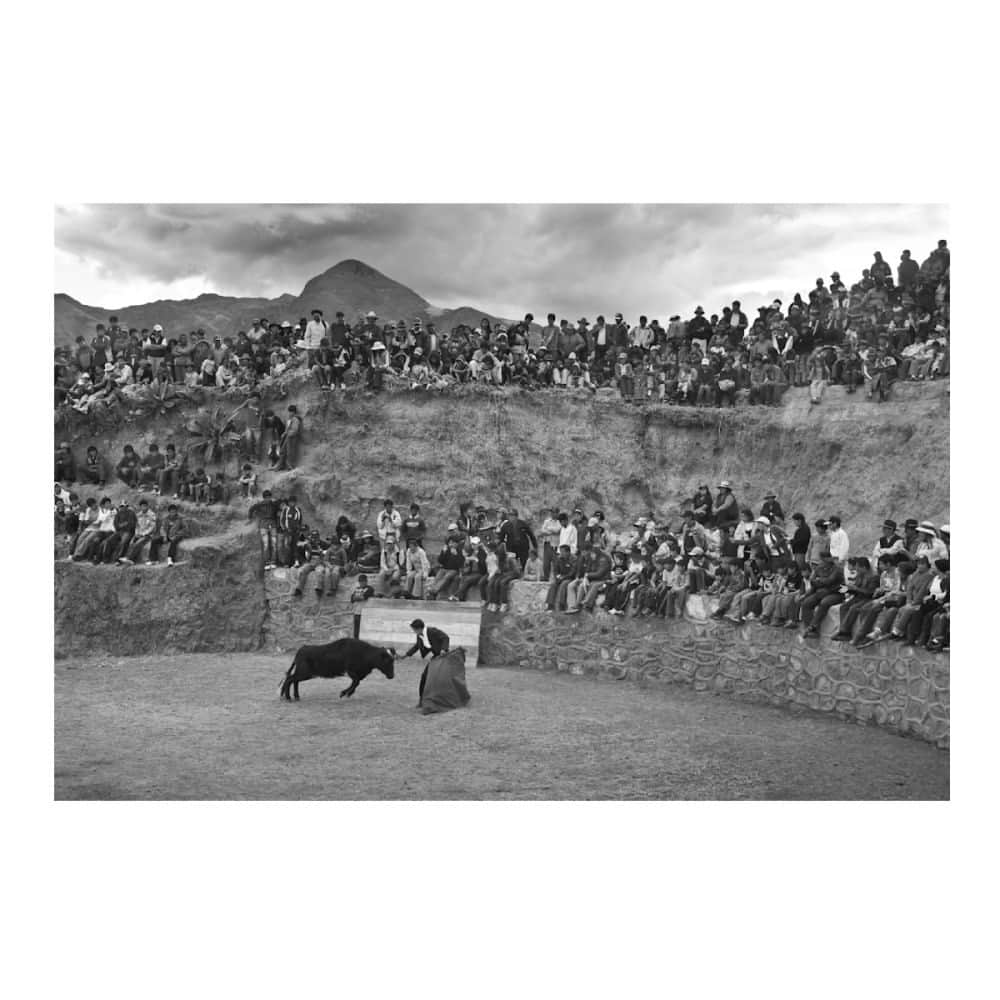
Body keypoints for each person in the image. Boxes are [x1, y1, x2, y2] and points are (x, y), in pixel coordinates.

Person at [404, 618, 451, 707]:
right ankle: (422, 700)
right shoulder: (420, 635)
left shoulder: (432, 631)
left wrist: (444, 649)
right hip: (435, 658)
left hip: (443, 658)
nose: (413, 631)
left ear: (418, 629)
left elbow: (445, 637)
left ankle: (441, 700)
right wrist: (406, 655)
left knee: (442, 680)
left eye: (414, 630)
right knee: (425, 677)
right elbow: (417, 646)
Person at [349, 574, 375, 638]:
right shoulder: (356, 589)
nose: (361, 583)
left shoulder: (370, 588)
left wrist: (357, 597)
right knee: (356, 632)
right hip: (357, 613)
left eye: (363, 581)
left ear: (366, 581)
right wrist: (358, 597)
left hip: (365, 613)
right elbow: (352, 599)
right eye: (360, 581)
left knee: (365, 632)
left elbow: (364, 597)